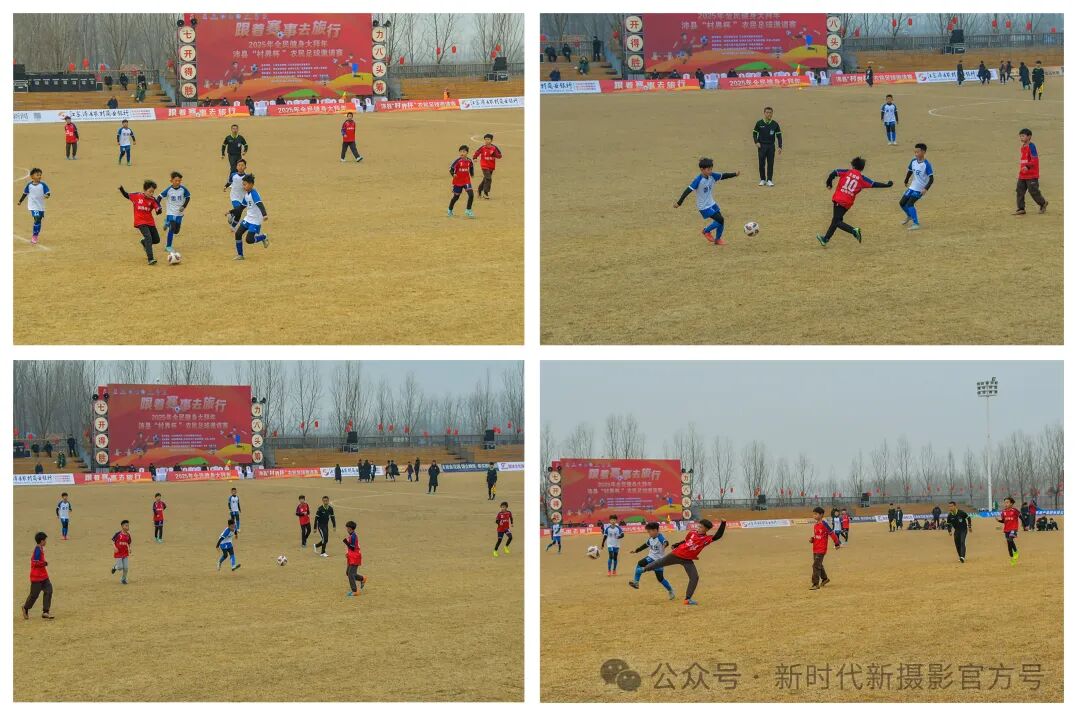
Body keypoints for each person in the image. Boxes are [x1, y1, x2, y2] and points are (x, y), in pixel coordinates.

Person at [637, 518, 726, 605]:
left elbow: (718, 536)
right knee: (661, 562)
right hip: (677, 554)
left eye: (701, 527)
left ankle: (687, 599)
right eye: (698, 526)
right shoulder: (692, 532)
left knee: (694, 577)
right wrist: (677, 544)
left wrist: (723, 523)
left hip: (687, 560)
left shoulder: (706, 539)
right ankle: (644, 569)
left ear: (706, 529)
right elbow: (686, 541)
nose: (698, 528)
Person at [816, 157, 893, 247]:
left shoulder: (847, 172)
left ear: (853, 165)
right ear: (862, 168)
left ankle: (854, 231)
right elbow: (874, 184)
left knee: (837, 221)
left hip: (839, 200)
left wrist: (829, 183)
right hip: (847, 203)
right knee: (836, 220)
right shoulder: (862, 179)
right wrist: (887, 185)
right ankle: (825, 239)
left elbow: (834, 172)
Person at [674, 157, 739, 246]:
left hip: (711, 203)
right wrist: (679, 203)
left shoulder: (712, 176)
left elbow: (723, 176)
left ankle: (717, 240)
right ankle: (706, 231)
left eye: (711, 169)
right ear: (702, 169)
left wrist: (734, 174)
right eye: (708, 169)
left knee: (721, 220)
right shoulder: (698, 180)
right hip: (703, 206)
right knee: (720, 219)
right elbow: (687, 191)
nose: (710, 171)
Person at [627, 521, 677, 600]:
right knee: (640, 563)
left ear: (655, 530)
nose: (648, 533)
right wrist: (636, 551)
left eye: (649, 531)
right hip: (650, 557)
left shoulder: (660, 537)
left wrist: (664, 545)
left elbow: (665, 542)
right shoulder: (650, 539)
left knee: (660, 579)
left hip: (659, 561)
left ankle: (670, 590)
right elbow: (645, 545)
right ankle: (636, 582)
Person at [118, 181, 163, 265]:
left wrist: (159, 210)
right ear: (145, 190)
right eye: (150, 191)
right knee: (148, 237)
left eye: (153, 192)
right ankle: (150, 259)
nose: (151, 193)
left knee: (156, 240)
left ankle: (144, 242)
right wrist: (121, 189)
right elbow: (127, 195)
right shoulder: (137, 196)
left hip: (150, 222)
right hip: (140, 222)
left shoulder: (153, 199)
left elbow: (158, 208)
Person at [233, 173, 270, 260]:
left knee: (249, 240)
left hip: (255, 220)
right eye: (243, 184)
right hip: (248, 218)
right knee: (238, 234)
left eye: (245, 184)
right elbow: (241, 207)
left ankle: (263, 237)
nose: (243, 186)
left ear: (251, 184)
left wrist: (264, 215)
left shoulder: (254, 194)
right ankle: (240, 255)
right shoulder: (247, 195)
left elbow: (260, 204)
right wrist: (231, 212)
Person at [899, 142, 934, 231]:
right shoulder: (913, 161)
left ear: (923, 152)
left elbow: (931, 179)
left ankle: (916, 223)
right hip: (912, 187)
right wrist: (906, 180)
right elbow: (910, 171)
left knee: (910, 204)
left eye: (917, 152)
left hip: (920, 189)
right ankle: (909, 216)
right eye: (915, 152)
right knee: (902, 203)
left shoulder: (926, 164)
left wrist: (925, 189)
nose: (916, 154)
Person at [156, 171, 191, 255]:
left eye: (179, 181)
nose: (178, 182)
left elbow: (188, 197)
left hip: (179, 213)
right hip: (171, 212)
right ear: (171, 181)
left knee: (176, 231)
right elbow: (159, 197)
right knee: (172, 228)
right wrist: (158, 206)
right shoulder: (168, 190)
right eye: (176, 180)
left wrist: (184, 206)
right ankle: (168, 246)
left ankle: (167, 222)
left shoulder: (183, 189)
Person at [1015, 128, 1048, 216]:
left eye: (1023, 136)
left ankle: (1043, 203)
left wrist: (1027, 166)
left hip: (1032, 175)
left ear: (1029, 136)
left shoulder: (1032, 146)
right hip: (1023, 174)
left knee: (1033, 190)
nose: (1021, 138)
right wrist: (1023, 169)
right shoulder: (1023, 147)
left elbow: (1035, 160)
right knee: (1019, 190)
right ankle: (1021, 208)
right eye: (1020, 136)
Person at [22, 532, 54, 620]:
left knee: (49, 591)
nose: (46, 542)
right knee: (34, 595)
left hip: (44, 576)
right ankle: (25, 608)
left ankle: (45, 612)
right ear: (41, 541)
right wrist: (44, 563)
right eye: (45, 540)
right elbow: (35, 563)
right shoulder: (37, 550)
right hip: (36, 577)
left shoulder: (40, 548)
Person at [809, 507, 841, 590]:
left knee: (815, 565)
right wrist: (812, 539)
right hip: (815, 548)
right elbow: (816, 536)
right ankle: (825, 579)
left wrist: (837, 543)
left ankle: (815, 584)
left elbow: (831, 533)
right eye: (813, 514)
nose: (814, 515)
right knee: (818, 565)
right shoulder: (815, 525)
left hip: (821, 549)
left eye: (816, 514)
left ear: (821, 515)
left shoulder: (824, 524)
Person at [17, 167, 50, 245]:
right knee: (37, 218)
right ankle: (34, 236)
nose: (39, 176)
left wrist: (47, 195)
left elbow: (48, 193)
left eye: (40, 175)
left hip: (40, 206)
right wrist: (20, 201)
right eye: (37, 175)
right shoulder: (29, 185)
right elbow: (25, 194)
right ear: (32, 176)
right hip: (32, 205)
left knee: (38, 220)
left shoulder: (43, 185)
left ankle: (36, 234)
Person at [752, 107, 783, 186]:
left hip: (771, 146)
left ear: (772, 114)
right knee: (761, 163)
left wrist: (780, 146)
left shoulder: (775, 124)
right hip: (762, 146)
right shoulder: (759, 123)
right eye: (767, 112)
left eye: (770, 112)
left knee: (770, 163)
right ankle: (762, 179)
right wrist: (756, 142)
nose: (769, 114)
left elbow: (779, 136)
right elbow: (754, 133)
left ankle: (769, 180)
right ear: (764, 113)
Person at [447, 145, 476, 218]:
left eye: (464, 151)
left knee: (471, 195)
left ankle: (468, 210)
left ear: (467, 152)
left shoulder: (469, 161)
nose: (462, 153)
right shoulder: (457, 161)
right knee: (456, 197)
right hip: (458, 181)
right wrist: (453, 174)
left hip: (466, 180)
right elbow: (451, 169)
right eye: (460, 152)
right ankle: (450, 209)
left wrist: (472, 174)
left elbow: (471, 167)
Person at [472, 133, 502, 200]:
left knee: (485, 179)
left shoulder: (494, 148)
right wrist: (475, 158)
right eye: (485, 139)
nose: (486, 141)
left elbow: (499, 156)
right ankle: (486, 193)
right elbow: (477, 152)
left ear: (491, 140)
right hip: (484, 165)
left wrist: (495, 154)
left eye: (488, 139)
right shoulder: (482, 148)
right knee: (488, 178)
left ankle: (479, 190)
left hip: (491, 166)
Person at [343, 521, 366, 596]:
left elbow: (352, 547)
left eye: (347, 528)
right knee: (348, 572)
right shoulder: (352, 535)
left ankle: (355, 591)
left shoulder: (353, 536)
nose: (346, 529)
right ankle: (362, 578)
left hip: (355, 557)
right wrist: (347, 553)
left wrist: (346, 542)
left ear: (350, 528)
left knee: (350, 574)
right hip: (351, 556)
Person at [224, 157, 249, 228]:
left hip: (243, 197)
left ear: (245, 167)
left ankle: (231, 214)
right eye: (239, 165)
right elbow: (229, 182)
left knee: (239, 212)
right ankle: (233, 226)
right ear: (236, 167)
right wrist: (225, 186)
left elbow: (249, 186)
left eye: (242, 165)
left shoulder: (247, 177)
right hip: (234, 196)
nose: (240, 167)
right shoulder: (233, 175)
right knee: (238, 210)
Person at [997, 496, 1021, 564]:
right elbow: (1004, 521)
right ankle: (1012, 558)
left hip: (1013, 528)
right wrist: (999, 520)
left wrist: (1026, 525)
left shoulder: (1015, 510)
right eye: (1005, 502)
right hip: (1006, 529)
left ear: (1011, 503)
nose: (1006, 504)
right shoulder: (1003, 512)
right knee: (1009, 544)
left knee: (1010, 539)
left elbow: (1021, 517)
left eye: (1007, 502)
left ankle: (1016, 551)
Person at [110, 519, 132, 584]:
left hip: (125, 553)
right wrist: (114, 547)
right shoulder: (118, 534)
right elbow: (112, 541)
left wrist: (129, 548)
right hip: (118, 553)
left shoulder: (128, 535)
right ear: (122, 526)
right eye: (126, 526)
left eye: (128, 526)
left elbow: (128, 543)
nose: (127, 527)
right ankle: (115, 567)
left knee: (126, 568)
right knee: (120, 567)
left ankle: (123, 579)